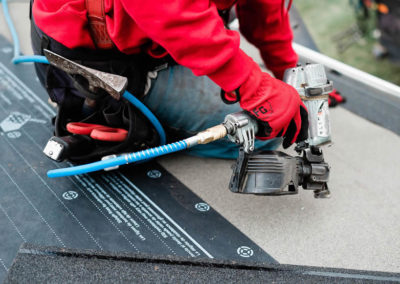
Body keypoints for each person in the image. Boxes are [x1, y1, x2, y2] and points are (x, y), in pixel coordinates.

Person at [31, 0, 308, 159]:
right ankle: (124, 118)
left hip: (160, 35)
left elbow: (265, 11)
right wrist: (254, 86)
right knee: (267, 133)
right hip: (94, 59)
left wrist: (289, 72)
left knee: (280, 118)